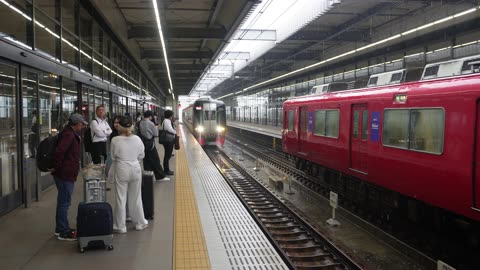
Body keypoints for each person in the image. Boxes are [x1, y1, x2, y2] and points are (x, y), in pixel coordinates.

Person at [51, 113, 88, 241]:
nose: (83, 126)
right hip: (64, 173)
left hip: (65, 172)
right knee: (64, 203)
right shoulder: (68, 135)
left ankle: (61, 227)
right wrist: (57, 167)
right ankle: (62, 231)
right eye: (82, 124)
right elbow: (60, 152)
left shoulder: (69, 133)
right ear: (76, 124)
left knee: (64, 201)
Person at [109, 116, 149, 233]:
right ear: (132, 127)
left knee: (121, 198)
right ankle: (140, 223)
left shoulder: (115, 140)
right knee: (136, 197)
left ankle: (120, 226)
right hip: (135, 168)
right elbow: (142, 155)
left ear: (119, 126)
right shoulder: (137, 139)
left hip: (121, 168)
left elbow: (113, 157)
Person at [139, 111, 170, 181]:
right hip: (150, 144)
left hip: (144, 144)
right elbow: (156, 134)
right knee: (155, 160)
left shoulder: (141, 122)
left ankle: (148, 177)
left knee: (146, 161)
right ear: (150, 116)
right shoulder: (150, 123)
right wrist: (155, 128)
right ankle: (160, 176)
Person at [160, 110, 176, 176]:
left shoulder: (166, 120)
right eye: (172, 115)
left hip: (167, 140)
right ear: (170, 115)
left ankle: (167, 169)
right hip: (168, 140)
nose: (173, 116)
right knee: (167, 155)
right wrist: (175, 132)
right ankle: (166, 170)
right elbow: (169, 129)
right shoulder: (167, 121)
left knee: (168, 155)